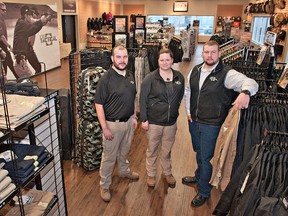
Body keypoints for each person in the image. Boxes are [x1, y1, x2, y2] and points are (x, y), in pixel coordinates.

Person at [182, 40, 258, 207]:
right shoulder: (195, 70)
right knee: (198, 151)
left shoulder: (227, 73)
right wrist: (188, 112)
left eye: (213, 52)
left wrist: (245, 92)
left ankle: (203, 191)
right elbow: (188, 91)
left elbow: (251, 83)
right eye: (207, 52)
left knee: (206, 157)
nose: (209, 55)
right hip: (194, 121)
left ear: (219, 53)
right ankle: (199, 175)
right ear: (202, 53)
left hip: (212, 124)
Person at [95, 45, 139, 202]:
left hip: (128, 123)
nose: (122, 60)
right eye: (118, 57)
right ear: (112, 58)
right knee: (108, 157)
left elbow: (133, 97)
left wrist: (134, 116)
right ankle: (104, 185)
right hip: (112, 125)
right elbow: (98, 105)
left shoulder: (130, 75)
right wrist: (105, 128)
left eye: (125, 57)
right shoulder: (105, 79)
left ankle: (123, 171)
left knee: (125, 151)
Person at [139, 48, 184, 187]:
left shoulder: (179, 77)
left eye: (167, 59)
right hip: (154, 122)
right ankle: (151, 174)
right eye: (162, 60)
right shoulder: (150, 78)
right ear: (158, 61)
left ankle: (167, 172)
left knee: (167, 150)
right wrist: (144, 119)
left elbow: (180, 95)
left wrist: (174, 110)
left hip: (171, 122)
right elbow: (142, 99)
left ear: (172, 60)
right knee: (152, 149)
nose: (165, 62)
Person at [13, 6, 49, 76]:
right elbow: (33, 28)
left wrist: (44, 20)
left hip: (26, 51)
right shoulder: (22, 24)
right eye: (30, 15)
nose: (32, 17)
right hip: (20, 55)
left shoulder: (23, 22)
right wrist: (41, 21)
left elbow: (35, 24)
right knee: (27, 77)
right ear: (26, 15)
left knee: (37, 68)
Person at [0, 2, 18, 79]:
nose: (5, 12)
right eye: (3, 10)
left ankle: (19, 80)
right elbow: (1, 36)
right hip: (1, 47)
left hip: (3, 47)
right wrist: (9, 46)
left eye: (5, 10)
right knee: (6, 67)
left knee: (8, 65)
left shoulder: (2, 20)